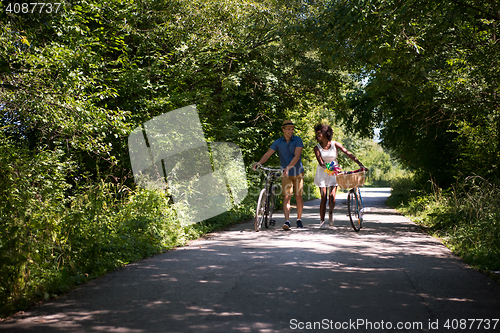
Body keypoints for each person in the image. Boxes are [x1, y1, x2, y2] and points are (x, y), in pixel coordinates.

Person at [253, 120, 304, 230]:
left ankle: (299, 219)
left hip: (298, 172)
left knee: (298, 196)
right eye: (289, 129)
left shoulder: (298, 140)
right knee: (286, 196)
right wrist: (259, 163)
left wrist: (288, 167)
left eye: (292, 129)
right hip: (285, 173)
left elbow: (297, 156)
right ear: (283, 130)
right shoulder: (278, 142)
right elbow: (268, 153)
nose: (291, 131)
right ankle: (287, 221)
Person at [313, 124, 365, 229]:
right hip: (323, 172)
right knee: (323, 197)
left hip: (334, 172)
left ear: (325, 133)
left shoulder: (335, 144)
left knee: (332, 197)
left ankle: (331, 215)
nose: (317, 135)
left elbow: (347, 153)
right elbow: (321, 163)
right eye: (316, 133)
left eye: (320, 133)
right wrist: (333, 169)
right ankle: (322, 221)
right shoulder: (316, 148)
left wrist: (360, 163)